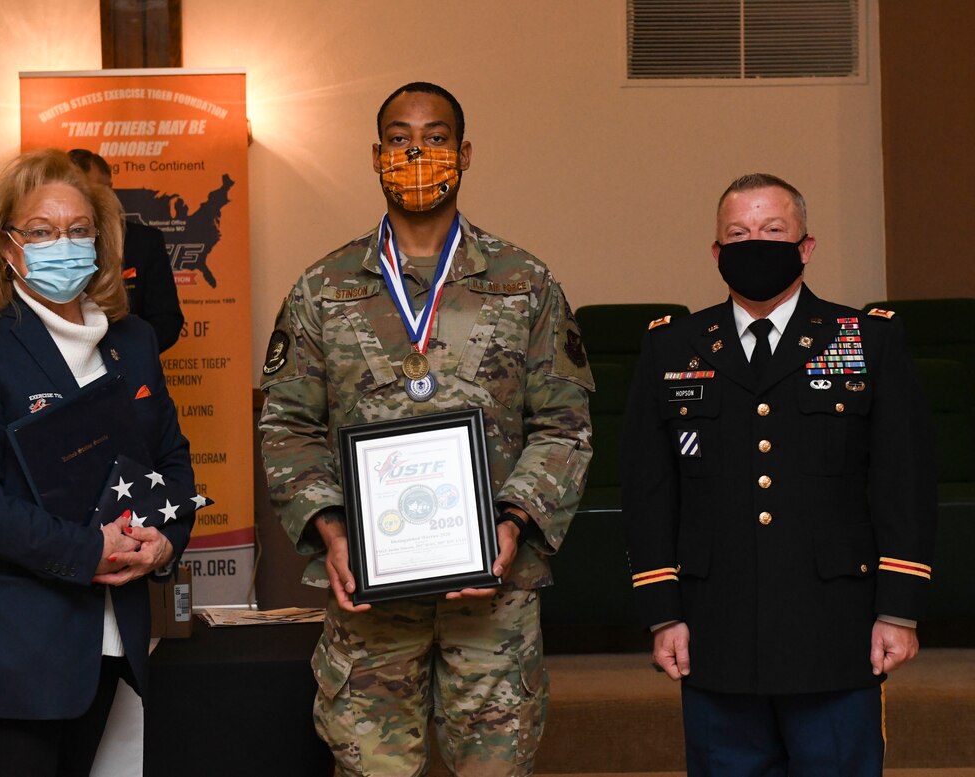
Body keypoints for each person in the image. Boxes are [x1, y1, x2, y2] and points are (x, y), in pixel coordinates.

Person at [258, 82, 594, 776]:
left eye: (436, 138)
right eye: (401, 139)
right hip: (370, 604)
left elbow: (565, 423)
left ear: (465, 153)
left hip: (493, 598)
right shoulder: (322, 289)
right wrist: (333, 531)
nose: (418, 152)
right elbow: (286, 427)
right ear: (376, 156)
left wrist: (509, 525)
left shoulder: (525, 282)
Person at [622, 173, 936, 775]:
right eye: (737, 234)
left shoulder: (868, 340)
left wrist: (899, 609)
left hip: (836, 630)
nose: (754, 244)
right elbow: (648, 491)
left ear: (806, 246)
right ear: (716, 253)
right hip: (716, 630)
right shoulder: (672, 347)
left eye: (772, 231)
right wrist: (663, 612)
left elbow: (905, 485)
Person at [0, 149, 197, 776]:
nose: (62, 245)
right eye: (41, 232)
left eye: (77, 230)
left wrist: (162, 546)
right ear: (7, 245)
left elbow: (173, 467)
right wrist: (83, 551)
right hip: (17, 644)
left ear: (101, 241)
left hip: (111, 639)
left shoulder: (133, 341)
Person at [68, 148, 184, 352]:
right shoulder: (49, 248)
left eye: (91, 191)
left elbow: (167, 321)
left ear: (109, 189)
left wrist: (122, 354)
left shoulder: (143, 242)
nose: (83, 201)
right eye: (73, 191)